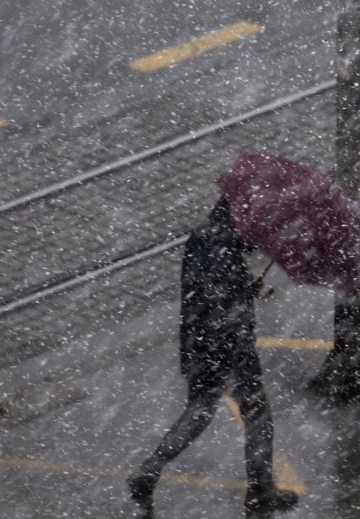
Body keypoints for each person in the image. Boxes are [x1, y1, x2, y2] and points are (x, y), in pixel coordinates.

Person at [128, 196, 298, 518]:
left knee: (201, 412)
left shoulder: (206, 240)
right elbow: (221, 302)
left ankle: (148, 473)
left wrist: (245, 288)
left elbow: (210, 292)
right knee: (257, 414)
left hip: (199, 342)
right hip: (226, 345)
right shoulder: (224, 253)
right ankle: (260, 491)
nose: (259, 238)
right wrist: (239, 308)